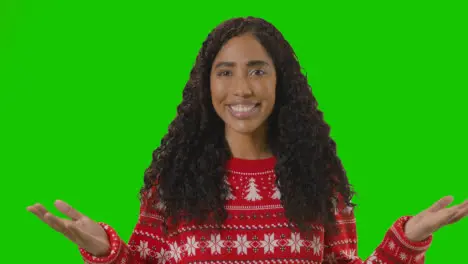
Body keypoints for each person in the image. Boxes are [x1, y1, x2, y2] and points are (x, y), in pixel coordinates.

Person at [27, 16, 467, 264]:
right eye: (225, 72)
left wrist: (407, 238)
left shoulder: (318, 180)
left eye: (258, 70)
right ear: (206, 86)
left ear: (282, 84)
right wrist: (104, 249)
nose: (241, 89)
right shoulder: (174, 182)